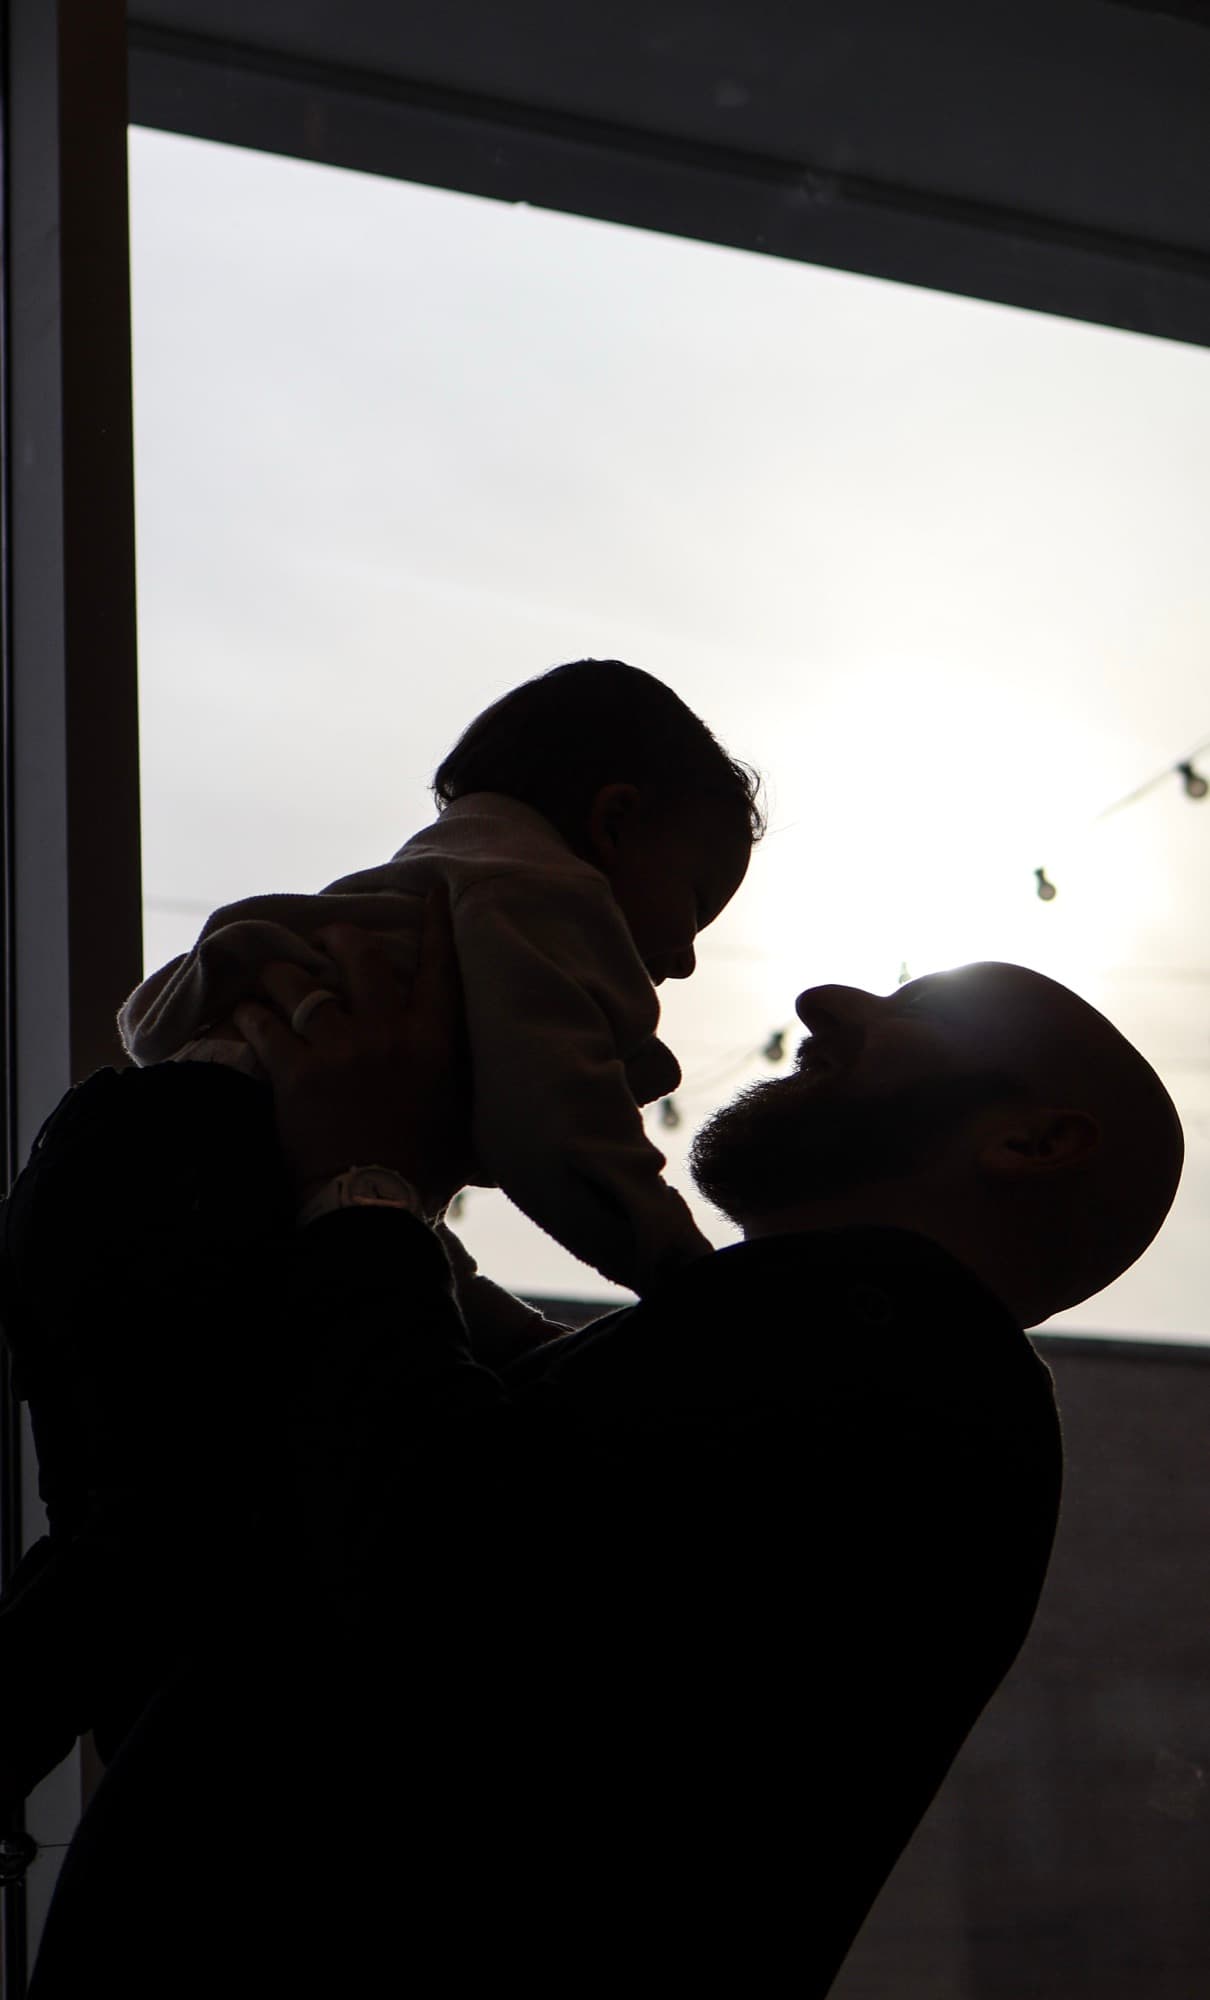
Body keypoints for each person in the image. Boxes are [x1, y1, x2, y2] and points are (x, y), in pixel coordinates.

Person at [21, 911, 1183, 1997]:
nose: (826, 998)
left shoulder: (897, 1336)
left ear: (1030, 1140)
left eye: (918, 1007)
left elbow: (433, 1554)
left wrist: (361, 1176)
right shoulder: (863, 1365)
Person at [0, 658, 758, 1814]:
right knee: (188, 1533)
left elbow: (334, 1179)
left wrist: (505, 1326)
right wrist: (687, 1280)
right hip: (207, 1168)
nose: (691, 955)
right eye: (697, 898)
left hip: (109, 1154)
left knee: (140, 1523)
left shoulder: (406, 899)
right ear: (615, 821)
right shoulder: (543, 905)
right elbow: (561, 1134)